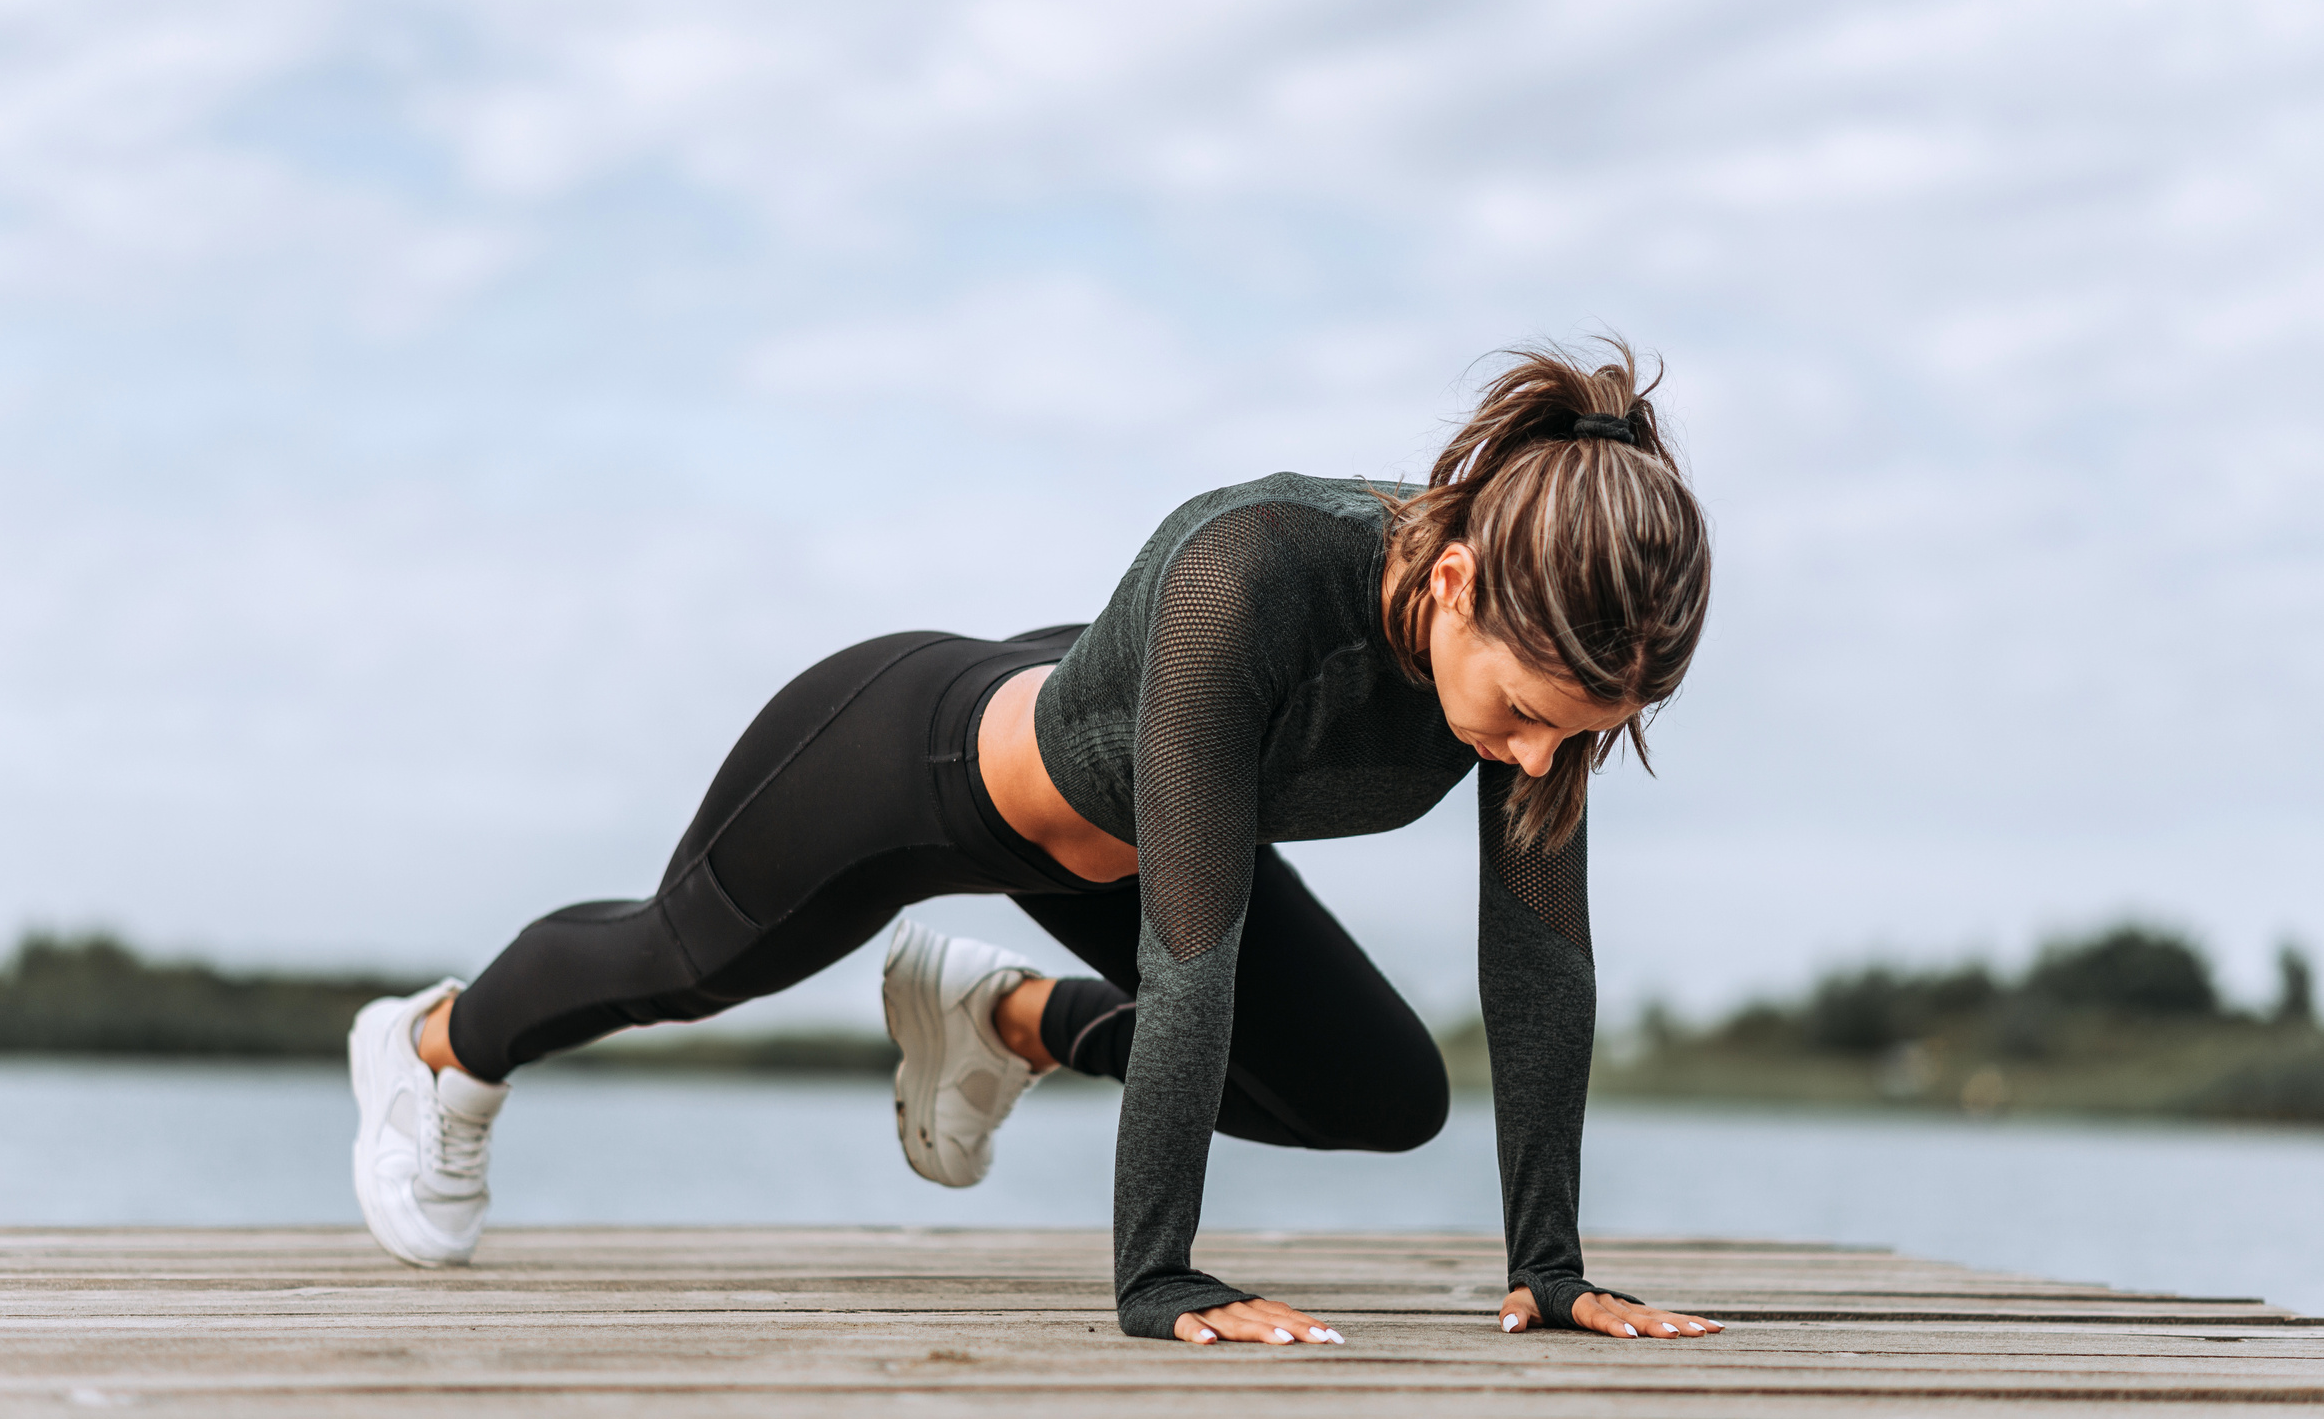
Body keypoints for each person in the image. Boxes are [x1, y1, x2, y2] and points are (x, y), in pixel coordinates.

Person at [348, 339, 1721, 1347]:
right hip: (910, 760)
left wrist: (1550, 1267)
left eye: (1586, 732)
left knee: (1379, 1099)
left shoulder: (1548, 669)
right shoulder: (1251, 575)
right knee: (684, 963)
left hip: (1119, 827)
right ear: (1452, 583)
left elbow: (1538, 956)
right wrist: (1162, 1279)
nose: (1541, 758)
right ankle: (434, 1049)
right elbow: (1194, 961)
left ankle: (1003, 1017)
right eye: (1532, 716)